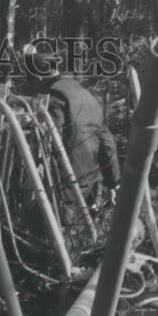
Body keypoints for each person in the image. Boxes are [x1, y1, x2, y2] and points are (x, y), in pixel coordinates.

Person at [19, 44, 120, 213]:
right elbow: (108, 144)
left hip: (65, 184)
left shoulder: (54, 97)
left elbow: (49, 140)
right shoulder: (87, 94)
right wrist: (113, 183)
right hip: (89, 184)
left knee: (45, 229)